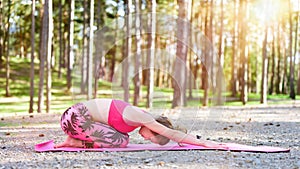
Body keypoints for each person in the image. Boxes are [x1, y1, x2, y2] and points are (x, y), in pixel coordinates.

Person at [55, 99, 226, 149]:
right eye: (152, 138)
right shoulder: (140, 116)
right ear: (155, 129)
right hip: (76, 117)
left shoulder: (136, 120)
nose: (146, 139)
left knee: (122, 137)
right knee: (122, 141)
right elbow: (172, 133)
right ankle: (73, 141)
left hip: (74, 119)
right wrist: (204, 142)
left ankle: (74, 138)